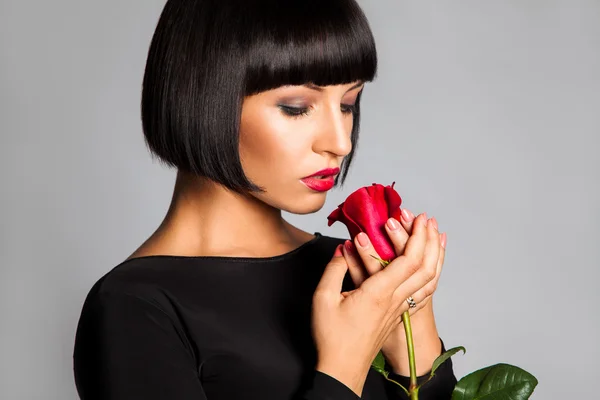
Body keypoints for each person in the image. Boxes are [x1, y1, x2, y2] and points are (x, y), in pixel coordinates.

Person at [72, 0, 457, 399]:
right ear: (203, 97)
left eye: (347, 104)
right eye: (296, 108)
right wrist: (344, 365)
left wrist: (415, 335)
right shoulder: (133, 308)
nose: (340, 143)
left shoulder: (352, 273)